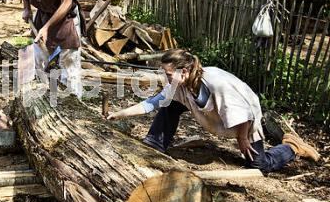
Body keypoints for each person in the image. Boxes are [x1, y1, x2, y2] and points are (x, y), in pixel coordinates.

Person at [107, 49, 320, 173]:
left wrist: (243, 138)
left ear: (185, 71)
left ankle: (292, 147)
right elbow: (150, 104)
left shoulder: (216, 84)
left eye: (169, 73)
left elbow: (243, 112)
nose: (166, 77)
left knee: (259, 165)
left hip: (247, 115)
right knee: (168, 103)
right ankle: (155, 142)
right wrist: (119, 114)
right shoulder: (179, 85)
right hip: (227, 115)